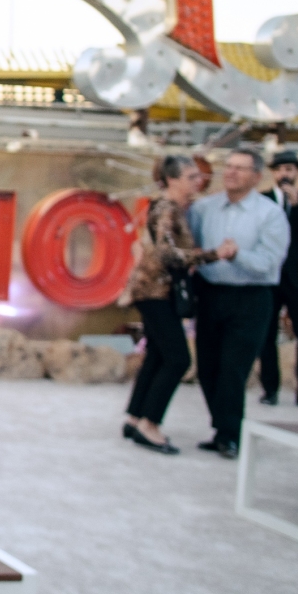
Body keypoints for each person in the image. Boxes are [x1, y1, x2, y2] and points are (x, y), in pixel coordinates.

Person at [123, 155, 231, 454]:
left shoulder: (172, 207)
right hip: (155, 291)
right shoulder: (167, 209)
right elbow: (168, 254)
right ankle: (150, 424)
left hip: (157, 291)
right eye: (191, 176)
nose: (198, 181)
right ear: (172, 180)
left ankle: (135, 418)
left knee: (158, 355)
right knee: (177, 359)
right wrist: (214, 254)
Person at [187, 147, 290, 458]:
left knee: (233, 368)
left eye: (240, 168)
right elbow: (191, 247)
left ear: (257, 177)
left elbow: (270, 262)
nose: (231, 172)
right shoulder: (204, 208)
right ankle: (222, 427)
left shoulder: (270, 214)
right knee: (208, 368)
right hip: (210, 295)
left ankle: (230, 435)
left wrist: (237, 255)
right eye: (229, 166)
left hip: (251, 298)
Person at [255, 151, 298, 406]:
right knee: (266, 333)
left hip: (297, 277)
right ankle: (270, 389)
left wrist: (297, 205)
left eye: (289, 169)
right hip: (269, 276)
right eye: (280, 169)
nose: (285, 174)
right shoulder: (261, 201)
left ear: (297, 172)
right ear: (273, 173)